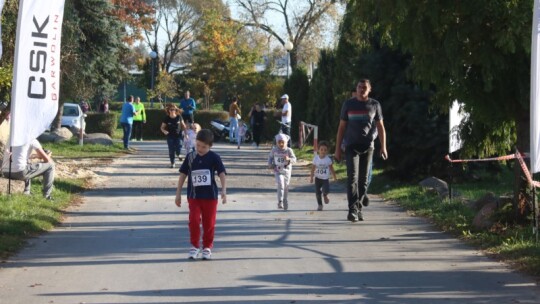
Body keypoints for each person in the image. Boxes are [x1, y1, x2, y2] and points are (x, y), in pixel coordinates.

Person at [334, 79, 388, 222]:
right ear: (356, 89)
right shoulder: (348, 104)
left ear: (369, 89)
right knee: (352, 178)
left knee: (363, 181)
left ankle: (358, 207)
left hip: (368, 147)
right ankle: (352, 210)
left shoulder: (374, 105)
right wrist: (337, 149)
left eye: (364, 87)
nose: (361, 89)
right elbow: (341, 128)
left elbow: (381, 127)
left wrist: (383, 147)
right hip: (351, 146)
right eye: (359, 87)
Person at [175, 129, 227, 260]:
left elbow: (221, 173)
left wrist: (224, 190)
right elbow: (183, 174)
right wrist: (178, 193)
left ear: (210, 146)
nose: (200, 149)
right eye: (198, 145)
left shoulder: (214, 157)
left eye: (204, 147)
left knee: (209, 223)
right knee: (193, 220)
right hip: (194, 196)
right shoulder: (191, 157)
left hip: (210, 197)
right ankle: (194, 246)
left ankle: (207, 247)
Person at [268, 133, 296, 211]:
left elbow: (294, 159)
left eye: (282, 142)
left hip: (287, 171)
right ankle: (280, 201)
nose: (281, 144)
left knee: (286, 187)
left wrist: (289, 159)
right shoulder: (274, 150)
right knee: (280, 184)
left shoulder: (289, 150)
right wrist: (270, 164)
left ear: (286, 142)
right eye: (279, 142)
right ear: (276, 142)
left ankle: (285, 199)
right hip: (278, 170)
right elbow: (270, 157)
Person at [309, 141, 337, 211]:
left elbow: (331, 168)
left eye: (325, 150)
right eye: (321, 149)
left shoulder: (328, 159)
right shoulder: (316, 158)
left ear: (327, 151)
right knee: (318, 193)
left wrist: (334, 177)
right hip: (317, 178)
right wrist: (311, 177)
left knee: (326, 190)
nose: (323, 151)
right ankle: (320, 205)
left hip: (325, 179)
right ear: (318, 150)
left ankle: (325, 195)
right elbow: (313, 169)